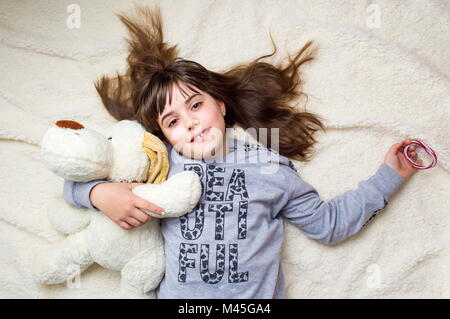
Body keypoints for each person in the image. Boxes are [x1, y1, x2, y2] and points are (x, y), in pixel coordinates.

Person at [63, 6, 421, 298]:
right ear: (164, 135)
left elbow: (328, 226)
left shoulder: (270, 167)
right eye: (172, 121)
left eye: (195, 105)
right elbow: (74, 181)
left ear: (220, 105)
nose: (188, 122)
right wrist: (98, 192)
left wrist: (390, 176)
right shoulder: (157, 162)